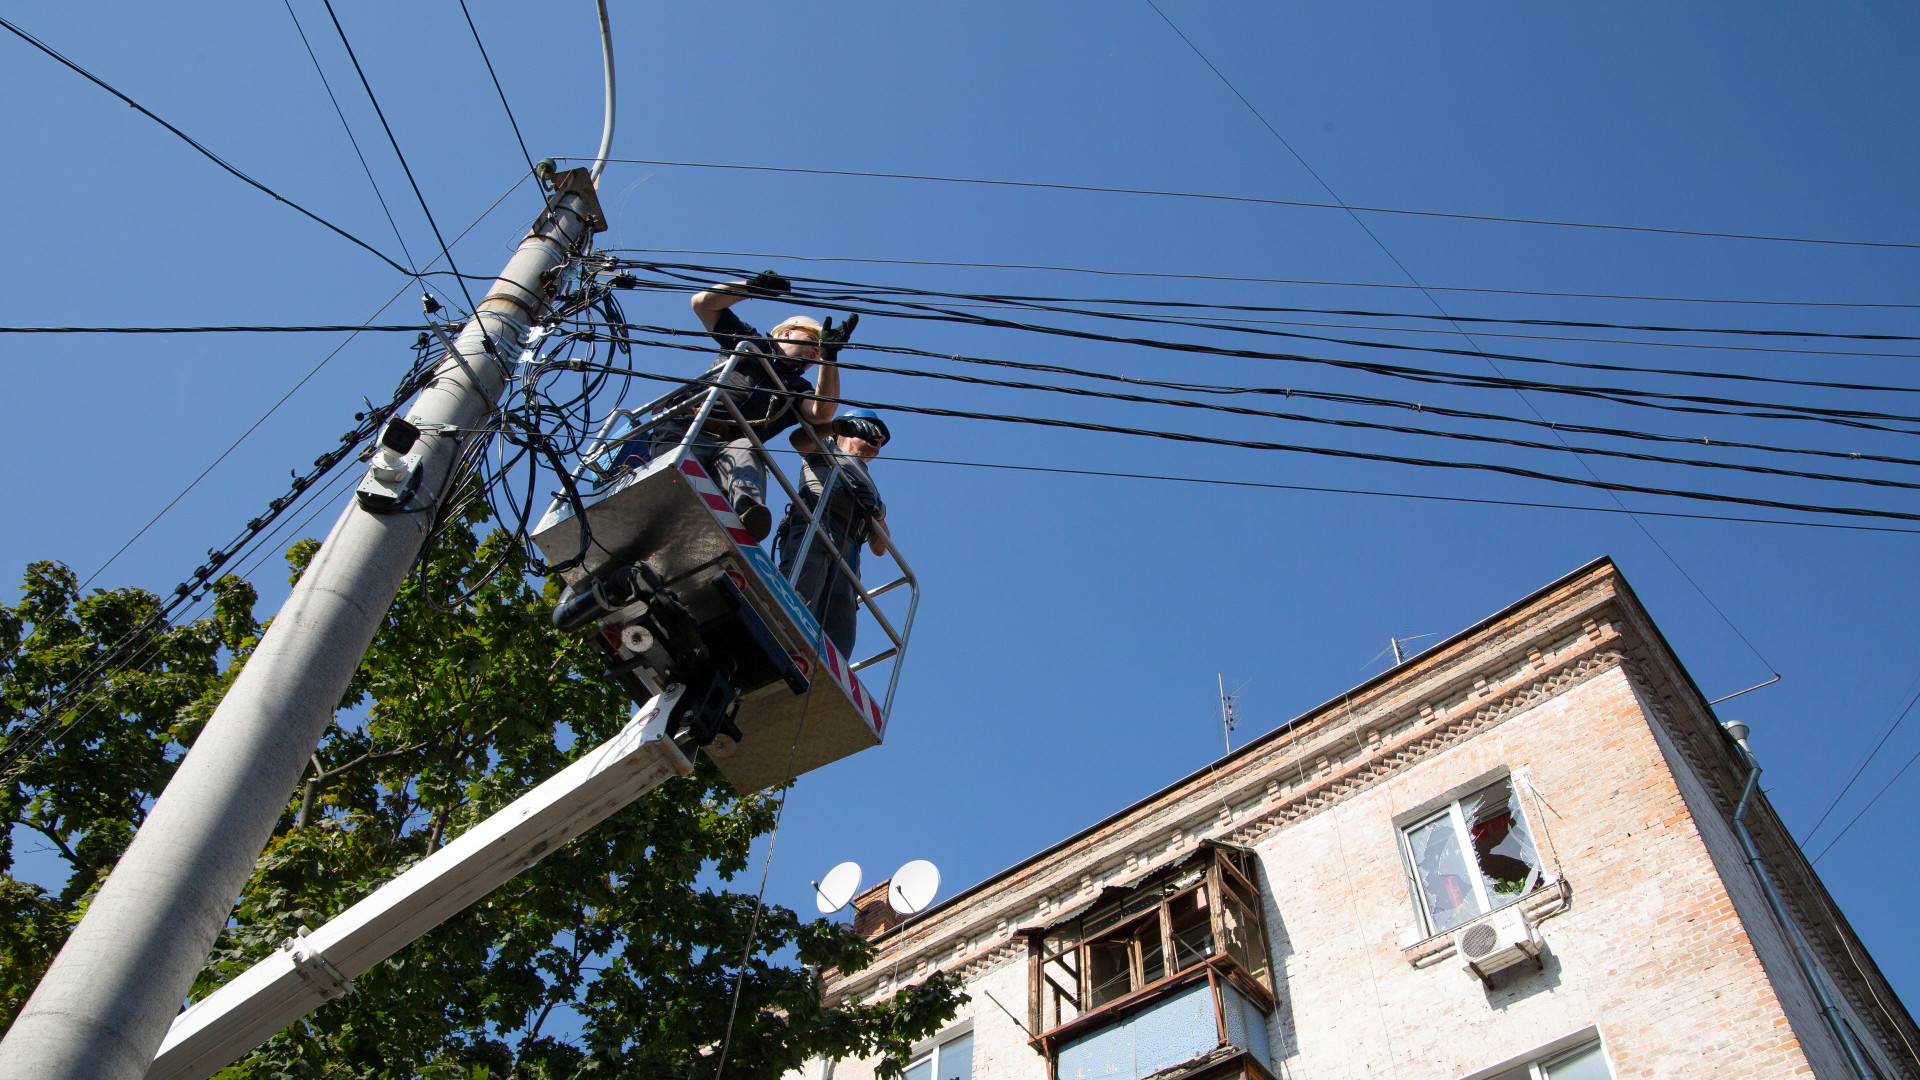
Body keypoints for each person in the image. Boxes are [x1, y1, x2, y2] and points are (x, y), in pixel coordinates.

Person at [649, 270, 855, 541]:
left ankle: (748, 517)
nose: (815, 351)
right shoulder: (749, 344)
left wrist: (830, 356)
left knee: (747, 448)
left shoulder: (796, 388)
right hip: (691, 425)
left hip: (731, 446)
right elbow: (702, 303)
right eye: (811, 343)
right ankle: (667, 507)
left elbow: (822, 412)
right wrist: (752, 287)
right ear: (787, 333)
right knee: (676, 481)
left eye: (819, 348)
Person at [774, 409, 892, 656]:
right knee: (801, 593)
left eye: (883, 440)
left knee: (840, 631)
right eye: (875, 432)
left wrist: (877, 512)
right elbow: (798, 440)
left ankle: (827, 667)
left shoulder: (874, 489)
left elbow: (881, 548)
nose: (879, 440)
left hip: (849, 553)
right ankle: (779, 635)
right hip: (816, 524)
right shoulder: (824, 446)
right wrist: (838, 426)